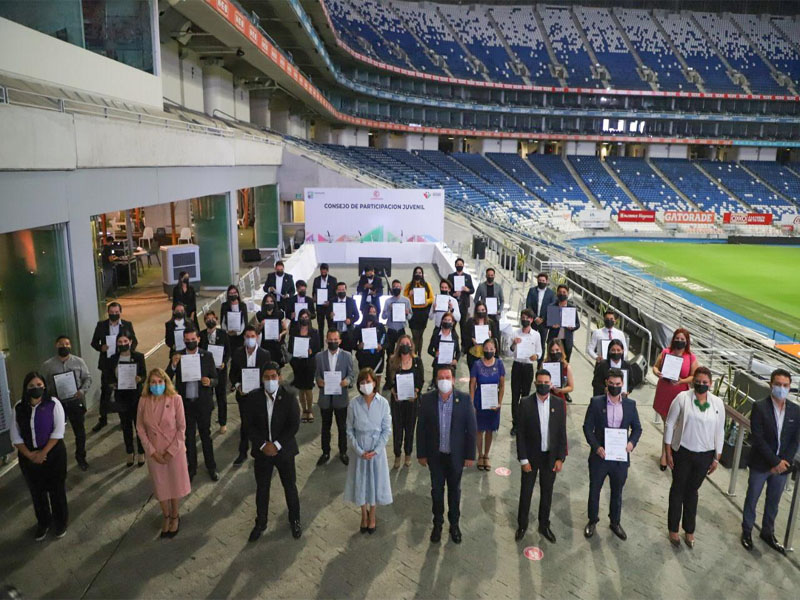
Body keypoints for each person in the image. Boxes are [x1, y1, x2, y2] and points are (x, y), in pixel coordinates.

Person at [664, 366, 725, 548]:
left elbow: (719, 430)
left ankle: (689, 529)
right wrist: (668, 451)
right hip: (682, 452)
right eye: (698, 382)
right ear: (692, 382)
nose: (701, 385)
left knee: (692, 491)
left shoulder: (717, 404)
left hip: (704, 455)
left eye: (705, 382)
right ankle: (673, 528)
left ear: (711, 384)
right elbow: (669, 424)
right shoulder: (682, 398)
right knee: (678, 489)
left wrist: (717, 457)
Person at [741, 368, 800, 554]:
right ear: (770, 385)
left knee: (773, 502)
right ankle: (747, 531)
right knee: (752, 498)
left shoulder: (796, 411)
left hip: (783, 468)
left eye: (785, 385)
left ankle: (768, 532)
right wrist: (775, 461)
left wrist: (784, 462)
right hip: (761, 464)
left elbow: (795, 440)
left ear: (790, 388)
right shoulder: (760, 406)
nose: (781, 388)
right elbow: (758, 438)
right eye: (778, 385)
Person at [416, 366, 477, 544]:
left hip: (455, 457)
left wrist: (470, 455)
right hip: (435, 457)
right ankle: (437, 524)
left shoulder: (464, 400)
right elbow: (421, 429)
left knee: (454, 492)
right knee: (436, 491)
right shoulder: (427, 400)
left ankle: (454, 524)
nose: (444, 380)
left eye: (447, 377)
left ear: (453, 380)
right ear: (436, 380)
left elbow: (471, 430)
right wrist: (421, 454)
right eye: (440, 377)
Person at [582, 368, 642, 541]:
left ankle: (615, 522)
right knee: (595, 489)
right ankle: (592, 520)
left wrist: (631, 443)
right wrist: (596, 447)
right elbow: (587, 428)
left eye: (618, 384)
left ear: (622, 385)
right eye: (612, 384)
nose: (615, 387)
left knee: (617, 491)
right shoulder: (596, 402)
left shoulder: (630, 405)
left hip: (620, 458)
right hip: (600, 456)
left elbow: (637, 428)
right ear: (606, 384)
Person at [245, 362, 302, 542]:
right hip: (262, 452)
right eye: (267, 377)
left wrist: (276, 445)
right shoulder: (253, 398)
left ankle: (295, 519)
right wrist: (263, 445)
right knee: (262, 488)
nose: (270, 380)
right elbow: (248, 426)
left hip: (283, 450)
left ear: (280, 377)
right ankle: (261, 522)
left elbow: (293, 425)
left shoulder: (289, 396)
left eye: (273, 377)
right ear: (262, 379)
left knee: (290, 486)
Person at [11, 372, 68, 541]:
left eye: (39, 385)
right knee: (37, 492)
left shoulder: (53, 403)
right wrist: (29, 455)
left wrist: (43, 453)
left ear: (44, 386)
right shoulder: (19, 407)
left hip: (53, 454)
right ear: (25, 388)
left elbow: (59, 431)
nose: (36, 389)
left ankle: (60, 522)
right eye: (31, 386)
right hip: (29, 457)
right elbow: (15, 435)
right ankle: (43, 522)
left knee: (57, 490)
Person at [136, 368, 191, 538]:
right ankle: (165, 515)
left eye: (160, 382)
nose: (157, 385)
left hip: (173, 451)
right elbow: (140, 427)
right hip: (155, 451)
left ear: (165, 382)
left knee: (174, 484)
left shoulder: (176, 399)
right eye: (153, 382)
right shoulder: (144, 401)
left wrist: (171, 451)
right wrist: (151, 451)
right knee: (160, 485)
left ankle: (175, 515)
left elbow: (182, 428)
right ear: (149, 384)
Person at [515, 369, 567, 543]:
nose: (543, 385)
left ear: (551, 384)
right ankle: (522, 524)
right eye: (540, 382)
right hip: (531, 456)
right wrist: (523, 459)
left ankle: (544, 525)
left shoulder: (559, 404)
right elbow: (520, 434)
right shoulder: (526, 403)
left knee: (547, 492)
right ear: (535, 383)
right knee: (526, 491)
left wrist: (560, 458)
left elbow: (561, 433)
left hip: (550, 457)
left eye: (547, 382)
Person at [166, 326, 219, 482]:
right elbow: (166, 378)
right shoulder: (178, 356)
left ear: (198, 339)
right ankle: (191, 468)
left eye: (193, 340)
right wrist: (174, 365)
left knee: (205, 436)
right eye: (187, 340)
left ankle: (211, 467)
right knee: (188, 438)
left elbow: (216, 379)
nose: (190, 342)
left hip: (202, 404)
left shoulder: (207, 356)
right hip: (185, 405)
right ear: (183, 340)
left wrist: (210, 382)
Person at [344, 368, 393, 534]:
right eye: (363, 383)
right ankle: (363, 513)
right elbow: (349, 430)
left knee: (375, 482)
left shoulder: (383, 403)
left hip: (376, 450)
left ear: (375, 383)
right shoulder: (353, 404)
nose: (366, 385)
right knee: (361, 481)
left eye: (369, 382)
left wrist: (377, 450)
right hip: (360, 449)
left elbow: (386, 430)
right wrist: (358, 450)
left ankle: (373, 514)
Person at [40, 335, 91, 470]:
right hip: (57, 405)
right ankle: (57, 460)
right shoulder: (48, 365)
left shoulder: (79, 362)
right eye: (61, 344)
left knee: (80, 432)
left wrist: (82, 391)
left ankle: (81, 457)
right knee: (56, 433)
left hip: (75, 401)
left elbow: (87, 378)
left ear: (71, 346)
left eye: (67, 344)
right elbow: (42, 384)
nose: (64, 346)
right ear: (56, 346)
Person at [653, 328, 699, 470]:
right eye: (677, 338)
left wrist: (682, 381)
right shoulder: (666, 352)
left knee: (671, 426)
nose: (679, 341)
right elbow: (655, 367)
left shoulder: (690, 357)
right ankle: (668, 453)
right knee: (667, 423)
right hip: (664, 392)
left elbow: (693, 376)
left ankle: (665, 455)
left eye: (682, 339)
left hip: (679, 395)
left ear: (687, 341)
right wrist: (658, 373)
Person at [90, 302, 138, 431]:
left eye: (117, 312)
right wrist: (101, 347)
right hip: (107, 364)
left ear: (120, 312)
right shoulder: (101, 325)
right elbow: (94, 342)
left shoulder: (127, 325)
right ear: (108, 312)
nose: (114, 314)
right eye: (112, 312)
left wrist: (129, 351)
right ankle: (103, 419)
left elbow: (134, 341)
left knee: (123, 391)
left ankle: (124, 418)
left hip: (123, 362)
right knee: (105, 391)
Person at [229, 326, 270, 465]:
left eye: (253, 336)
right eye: (248, 336)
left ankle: (261, 451)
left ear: (257, 337)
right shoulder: (238, 353)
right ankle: (243, 452)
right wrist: (237, 385)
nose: (250, 339)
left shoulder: (265, 354)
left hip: (260, 396)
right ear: (244, 338)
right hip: (244, 396)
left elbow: (268, 375)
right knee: (245, 425)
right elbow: (233, 374)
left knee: (261, 424)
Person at [106, 333, 147, 467]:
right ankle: (130, 452)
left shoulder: (139, 357)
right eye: (120, 341)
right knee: (126, 426)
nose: (123, 343)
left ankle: (141, 452)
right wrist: (112, 383)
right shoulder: (112, 359)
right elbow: (109, 377)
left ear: (130, 341)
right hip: (121, 396)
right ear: (117, 343)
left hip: (135, 396)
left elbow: (144, 374)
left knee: (139, 425)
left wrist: (139, 379)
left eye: (125, 341)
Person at [315, 329, 354, 466]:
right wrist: (319, 381)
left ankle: (343, 451)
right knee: (325, 427)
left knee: (342, 427)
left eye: (335, 340)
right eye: (330, 340)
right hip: (325, 398)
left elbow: (351, 375)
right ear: (326, 341)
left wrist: (347, 382)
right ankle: (325, 452)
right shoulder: (319, 357)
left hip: (341, 398)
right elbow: (317, 375)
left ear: (340, 341)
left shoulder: (347, 356)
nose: (333, 342)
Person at [385, 334, 424, 468]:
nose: (405, 346)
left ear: (411, 346)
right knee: (397, 428)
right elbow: (389, 381)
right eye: (402, 344)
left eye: (408, 343)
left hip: (412, 401)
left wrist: (416, 392)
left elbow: (420, 380)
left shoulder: (417, 361)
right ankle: (397, 455)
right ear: (398, 346)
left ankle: (408, 454)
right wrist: (393, 392)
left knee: (410, 428)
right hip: (397, 401)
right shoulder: (391, 361)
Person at [470, 338, 505, 472]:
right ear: (482, 349)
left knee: (490, 429)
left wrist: (500, 402)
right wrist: (472, 403)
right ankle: (479, 455)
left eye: (492, 349)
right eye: (487, 349)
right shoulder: (477, 364)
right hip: (480, 400)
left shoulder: (499, 364)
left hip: (493, 401)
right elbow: (472, 385)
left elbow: (502, 385)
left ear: (495, 350)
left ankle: (486, 455)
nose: (489, 351)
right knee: (479, 429)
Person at [509, 309, 542, 436]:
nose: (525, 320)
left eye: (528, 318)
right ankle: (515, 424)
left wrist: (536, 356)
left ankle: (523, 423)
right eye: (523, 317)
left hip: (528, 367)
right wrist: (513, 344)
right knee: (514, 396)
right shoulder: (515, 332)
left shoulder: (536, 335)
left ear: (532, 320)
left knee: (526, 396)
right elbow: (509, 352)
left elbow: (539, 351)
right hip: (517, 365)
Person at [288, 308, 321, 423]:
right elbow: (290, 348)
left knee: (308, 388)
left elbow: (318, 347)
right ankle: (304, 410)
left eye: (306, 317)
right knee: (301, 389)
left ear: (309, 318)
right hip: (298, 363)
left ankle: (310, 410)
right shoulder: (294, 332)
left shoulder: (314, 332)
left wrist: (312, 351)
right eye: (302, 317)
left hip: (309, 363)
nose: (304, 319)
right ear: (299, 318)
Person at [200, 311, 231, 433]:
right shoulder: (201, 335)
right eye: (207, 319)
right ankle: (205, 422)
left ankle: (223, 422)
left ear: (216, 320)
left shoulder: (223, 334)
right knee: (207, 398)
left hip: (220, 370)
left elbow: (228, 351)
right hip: (207, 372)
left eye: (212, 318)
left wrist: (224, 362)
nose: (210, 321)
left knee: (221, 397)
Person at [461, 300, 500, 372]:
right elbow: (464, 336)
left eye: (483, 310)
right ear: (476, 311)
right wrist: (471, 339)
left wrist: (491, 337)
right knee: (473, 376)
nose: (481, 312)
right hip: (473, 355)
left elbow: (496, 339)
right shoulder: (470, 322)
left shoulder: (491, 323)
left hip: (487, 355)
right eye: (479, 310)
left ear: (486, 310)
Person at [404, 266, 434, 355]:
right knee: (415, 335)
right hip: (413, 312)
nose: (418, 274)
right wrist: (409, 295)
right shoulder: (408, 286)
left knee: (420, 335)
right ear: (414, 274)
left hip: (423, 312)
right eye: (416, 273)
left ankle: (419, 354)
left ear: (422, 274)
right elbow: (404, 299)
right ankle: (413, 354)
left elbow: (432, 298)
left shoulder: (427, 285)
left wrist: (426, 302)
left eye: (420, 273)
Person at [545, 285, 580, 361]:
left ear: (568, 293)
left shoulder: (572, 308)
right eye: (560, 292)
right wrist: (551, 325)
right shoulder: (552, 306)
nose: (562, 294)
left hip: (566, 339)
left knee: (565, 361)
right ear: (557, 293)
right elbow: (545, 322)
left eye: (564, 292)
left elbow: (578, 324)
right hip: (554, 338)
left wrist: (572, 327)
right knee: (551, 360)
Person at [355, 304, 386, 389]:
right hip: (364, 358)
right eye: (370, 312)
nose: (372, 314)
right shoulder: (359, 327)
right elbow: (353, 343)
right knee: (364, 383)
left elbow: (386, 341)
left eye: (374, 312)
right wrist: (359, 346)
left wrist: (381, 346)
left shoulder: (380, 327)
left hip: (377, 358)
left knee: (376, 385)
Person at [525, 272, 555, 358]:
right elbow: (528, 305)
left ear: (547, 281)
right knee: (530, 340)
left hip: (544, 323)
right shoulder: (532, 291)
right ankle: (528, 357)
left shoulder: (551, 293)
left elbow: (552, 307)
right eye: (540, 280)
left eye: (543, 280)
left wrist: (543, 319)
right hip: (533, 321)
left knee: (542, 343)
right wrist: (535, 317)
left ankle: (540, 362)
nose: (541, 282)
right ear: (537, 280)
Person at [426, 313, 460, 388]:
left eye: (449, 320)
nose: (447, 322)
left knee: (450, 386)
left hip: (449, 364)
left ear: (453, 322)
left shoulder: (454, 336)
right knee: (437, 385)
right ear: (441, 321)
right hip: (438, 364)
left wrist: (456, 360)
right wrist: (435, 354)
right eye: (445, 320)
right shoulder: (436, 334)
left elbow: (458, 352)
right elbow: (429, 350)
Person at [381, 279, 411, 357]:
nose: (396, 288)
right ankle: (389, 368)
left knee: (402, 353)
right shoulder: (388, 301)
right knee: (389, 353)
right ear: (392, 289)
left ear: (401, 288)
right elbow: (383, 317)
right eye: (394, 287)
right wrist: (389, 309)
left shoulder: (406, 300)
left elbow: (410, 316)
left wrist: (407, 314)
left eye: (398, 286)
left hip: (401, 329)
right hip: (391, 330)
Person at [447, 257, 475, 340]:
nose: (459, 266)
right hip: (454, 304)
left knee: (463, 326)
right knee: (452, 324)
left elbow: (472, 290)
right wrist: (453, 294)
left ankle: (463, 345)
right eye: (458, 264)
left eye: (461, 264)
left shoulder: (468, 277)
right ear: (455, 265)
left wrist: (467, 290)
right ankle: (452, 341)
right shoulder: (451, 276)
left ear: (463, 265)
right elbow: (448, 289)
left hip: (464, 304)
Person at [327, 281, 359, 352]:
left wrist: (350, 320)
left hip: (347, 333)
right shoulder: (332, 301)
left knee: (347, 354)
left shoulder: (351, 301)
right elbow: (327, 315)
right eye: (339, 290)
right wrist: (330, 315)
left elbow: (357, 316)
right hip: (335, 334)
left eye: (343, 289)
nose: (341, 291)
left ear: (346, 290)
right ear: (336, 291)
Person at [256, 295, 287, 367]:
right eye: (267, 302)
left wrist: (280, 335)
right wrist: (261, 325)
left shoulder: (280, 314)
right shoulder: (259, 315)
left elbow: (285, 330)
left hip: (277, 345)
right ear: (264, 303)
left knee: (277, 369)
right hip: (265, 345)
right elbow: (256, 332)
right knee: (265, 367)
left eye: (271, 301)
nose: (269, 303)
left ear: (274, 303)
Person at [544, 339, 575, 405]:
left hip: (559, 398)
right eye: (552, 351)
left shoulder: (566, 367)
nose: (555, 352)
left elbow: (571, 387)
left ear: (561, 350)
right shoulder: (544, 365)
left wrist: (560, 390)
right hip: (545, 397)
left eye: (557, 350)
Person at [312, 263, 337, 339]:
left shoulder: (333, 280)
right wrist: (314, 298)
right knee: (320, 326)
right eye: (322, 271)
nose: (323, 273)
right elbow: (314, 292)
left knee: (330, 325)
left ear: (327, 271)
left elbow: (335, 294)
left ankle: (330, 340)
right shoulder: (316, 280)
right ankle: (321, 345)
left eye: (324, 271)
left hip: (329, 307)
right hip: (320, 307)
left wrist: (330, 302)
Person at [221, 284, 248, 352]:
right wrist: (227, 331)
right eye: (231, 293)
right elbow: (222, 321)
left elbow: (244, 322)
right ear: (228, 294)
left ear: (238, 294)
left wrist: (238, 333)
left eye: (234, 293)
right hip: (228, 335)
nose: (233, 295)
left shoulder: (242, 305)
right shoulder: (224, 306)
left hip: (240, 336)